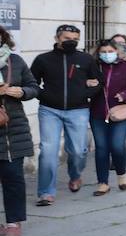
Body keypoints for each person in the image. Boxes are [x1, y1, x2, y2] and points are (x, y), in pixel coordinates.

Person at [30, 23, 99, 204]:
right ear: (57, 38)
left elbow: (98, 82)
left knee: (78, 151)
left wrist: (86, 93)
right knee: (48, 151)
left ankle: (75, 175)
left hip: (78, 110)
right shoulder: (42, 59)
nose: (71, 42)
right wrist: (44, 95)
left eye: (75, 40)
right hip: (49, 110)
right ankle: (46, 192)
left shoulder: (86, 59)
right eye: (67, 39)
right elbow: (31, 83)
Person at [88, 39, 126, 195]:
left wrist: (125, 94)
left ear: (117, 51)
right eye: (103, 52)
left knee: (117, 145)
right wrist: (88, 84)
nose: (107, 55)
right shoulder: (94, 67)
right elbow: (84, 85)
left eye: (110, 51)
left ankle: (121, 173)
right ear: (98, 53)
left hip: (121, 112)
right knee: (102, 148)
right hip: (98, 113)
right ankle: (103, 183)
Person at [0, 28, 39, 236]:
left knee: (13, 176)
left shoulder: (15, 61)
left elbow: (34, 87)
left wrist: (22, 92)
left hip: (12, 129)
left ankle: (14, 222)